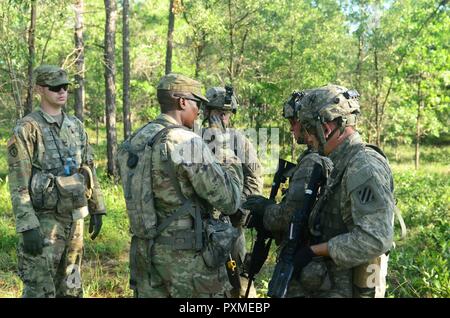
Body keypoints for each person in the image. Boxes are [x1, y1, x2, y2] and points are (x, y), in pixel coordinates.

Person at [117, 73, 243, 298]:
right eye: (198, 104)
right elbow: (230, 200)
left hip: (145, 256)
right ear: (182, 102)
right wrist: (222, 146)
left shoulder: (135, 139)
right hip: (186, 262)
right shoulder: (185, 142)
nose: (200, 112)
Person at [7, 64, 106, 297]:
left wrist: (97, 207)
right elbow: (18, 181)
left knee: (72, 285)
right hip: (44, 221)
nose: (62, 92)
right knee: (40, 286)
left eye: (65, 87)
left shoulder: (75, 126)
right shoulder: (27, 128)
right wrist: (27, 225)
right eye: (55, 88)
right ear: (40, 89)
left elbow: (89, 168)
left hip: (75, 219)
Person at [291, 84, 395, 297]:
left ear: (326, 128)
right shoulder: (340, 162)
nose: (308, 139)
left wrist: (314, 251)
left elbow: (376, 238)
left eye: (309, 130)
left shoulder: (363, 167)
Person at [242, 90, 333, 297]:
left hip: (305, 259)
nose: (292, 128)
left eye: (294, 122)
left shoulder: (313, 161)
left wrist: (265, 210)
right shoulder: (321, 155)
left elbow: (289, 217)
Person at [202, 86, 263, 298]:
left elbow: (255, 179)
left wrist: (238, 211)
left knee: (239, 281)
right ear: (206, 112)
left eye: (225, 114)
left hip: (232, 222)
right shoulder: (194, 139)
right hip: (202, 224)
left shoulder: (239, 141)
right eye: (216, 113)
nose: (221, 118)